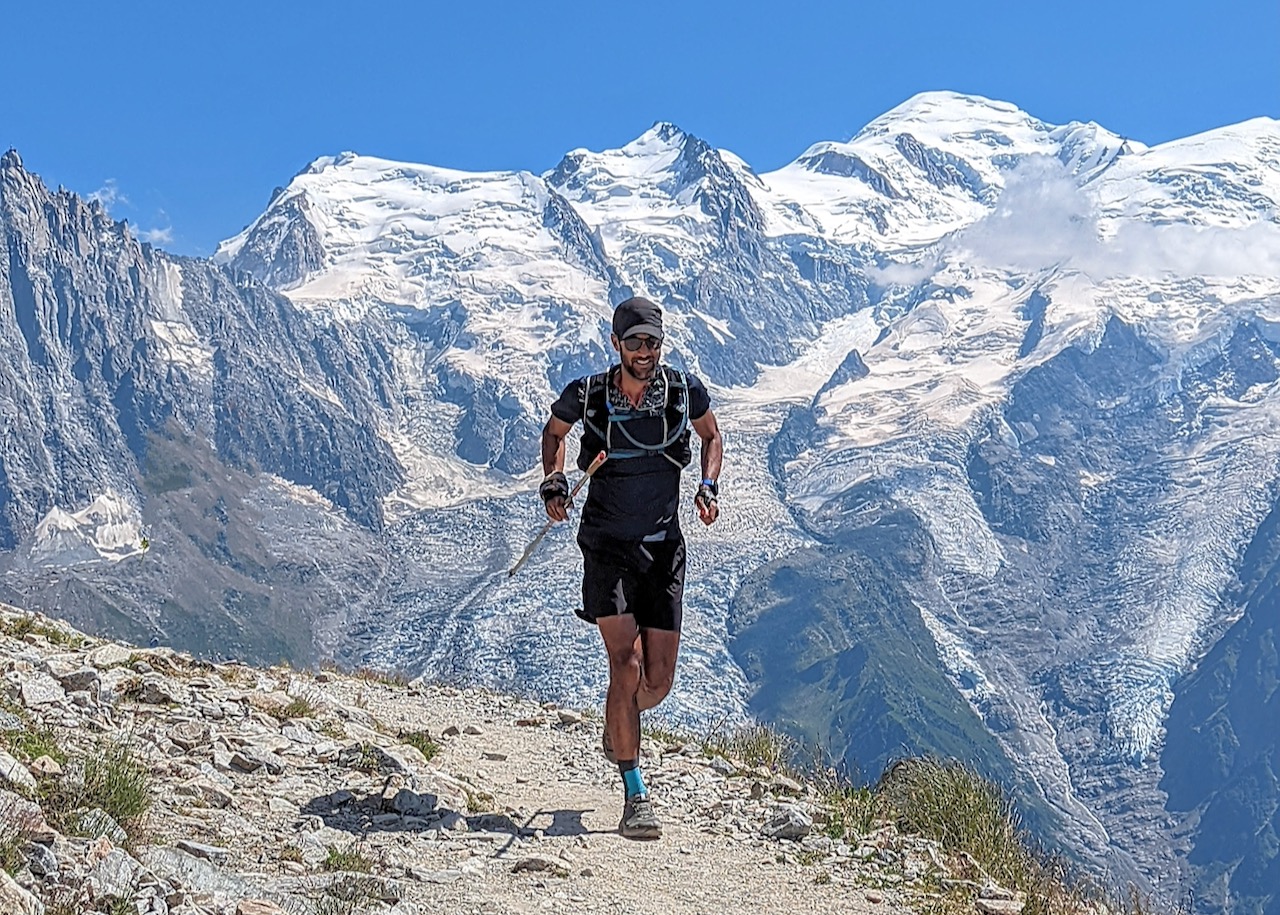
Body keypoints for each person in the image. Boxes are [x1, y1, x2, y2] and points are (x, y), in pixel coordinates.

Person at [539, 296, 723, 840]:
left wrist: (708, 486)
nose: (645, 352)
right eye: (636, 342)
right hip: (607, 547)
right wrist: (553, 480)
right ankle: (634, 791)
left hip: (664, 548)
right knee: (624, 662)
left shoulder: (684, 392)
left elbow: (712, 437)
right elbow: (555, 434)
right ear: (616, 343)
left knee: (656, 681)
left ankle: (619, 718)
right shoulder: (588, 394)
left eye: (654, 343)